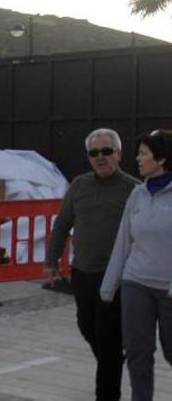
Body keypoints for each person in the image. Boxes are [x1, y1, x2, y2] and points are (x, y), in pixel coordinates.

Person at [45, 128, 139, 401]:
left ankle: (107, 392)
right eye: (94, 153)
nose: (100, 157)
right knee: (87, 326)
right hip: (82, 274)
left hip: (117, 277)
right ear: (88, 158)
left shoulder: (133, 190)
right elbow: (62, 225)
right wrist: (51, 262)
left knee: (109, 338)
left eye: (106, 151)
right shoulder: (79, 186)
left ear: (119, 155)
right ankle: (112, 361)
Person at [101, 129, 172, 401]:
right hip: (136, 284)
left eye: (143, 154)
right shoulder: (137, 195)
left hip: (168, 289)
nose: (138, 159)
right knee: (137, 351)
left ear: (162, 158)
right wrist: (110, 286)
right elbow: (123, 242)